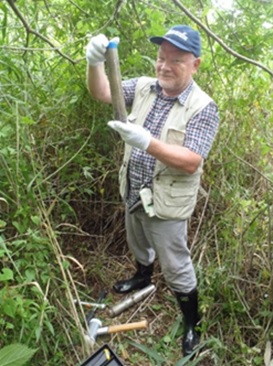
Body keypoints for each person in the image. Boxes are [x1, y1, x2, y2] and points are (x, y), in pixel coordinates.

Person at [85, 25, 219, 357]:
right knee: (138, 242)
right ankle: (143, 276)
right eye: (161, 58)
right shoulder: (145, 87)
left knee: (175, 265)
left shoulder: (203, 107)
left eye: (176, 60)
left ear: (195, 64)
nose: (164, 66)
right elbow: (102, 92)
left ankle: (192, 323)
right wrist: (94, 63)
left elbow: (191, 161)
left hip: (168, 203)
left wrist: (147, 142)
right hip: (133, 190)